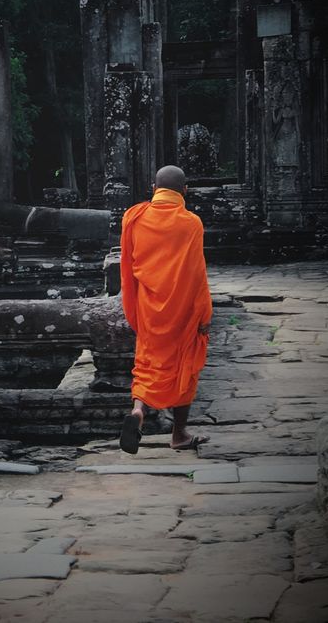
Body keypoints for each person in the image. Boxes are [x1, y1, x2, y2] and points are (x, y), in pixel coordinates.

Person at [118, 165, 212, 454]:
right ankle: (179, 433)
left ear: (153, 186)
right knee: (184, 367)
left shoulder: (133, 217)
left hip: (149, 307)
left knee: (147, 363)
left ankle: (138, 412)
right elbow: (197, 274)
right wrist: (205, 314)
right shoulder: (191, 223)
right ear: (185, 189)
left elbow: (127, 266)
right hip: (182, 311)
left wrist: (133, 304)